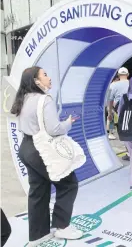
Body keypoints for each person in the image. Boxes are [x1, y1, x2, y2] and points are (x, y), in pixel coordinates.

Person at [10, 66, 83, 247]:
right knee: (68, 184)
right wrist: (68, 123)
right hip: (40, 150)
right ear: (36, 81)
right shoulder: (45, 100)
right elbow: (54, 129)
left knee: (38, 190)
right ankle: (62, 225)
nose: (49, 78)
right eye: (45, 75)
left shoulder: (23, 98)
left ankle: (38, 235)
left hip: (26, 148)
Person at [108, 67, 130, 161]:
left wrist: (109, 113)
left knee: (124, 133)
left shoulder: (113, 85)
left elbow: (110, 100)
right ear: (128, 74)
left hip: (121, 111)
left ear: (118, 75)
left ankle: (129, 153)